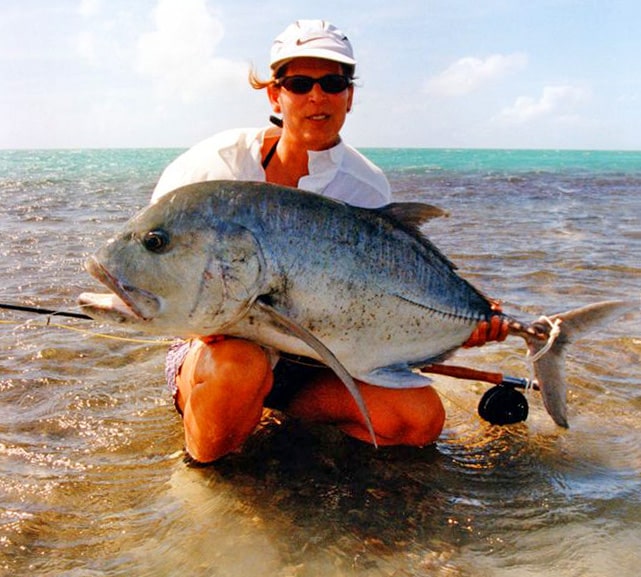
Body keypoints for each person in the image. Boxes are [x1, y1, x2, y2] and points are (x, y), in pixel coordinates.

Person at [153, 20, 505, 464]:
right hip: (218, 351)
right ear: (275, 94)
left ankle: (285, 426)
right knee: (240, 367)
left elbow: (383, 300)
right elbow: (161, 263)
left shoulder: (365, 188)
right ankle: (200, 472)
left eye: (332, 83)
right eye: (299, 84)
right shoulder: (214, 167)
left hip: (313, 358)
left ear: (349, 96)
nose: (316, 97)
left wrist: (460, 320)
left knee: (417, 420)